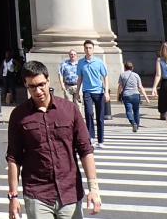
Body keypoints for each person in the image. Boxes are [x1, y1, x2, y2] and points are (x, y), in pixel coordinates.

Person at [7, 60, 101, 219]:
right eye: (32, 86)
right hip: (38, 193)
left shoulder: (69, 109)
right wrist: (13, 197)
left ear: (48, 80)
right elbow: (14, 157)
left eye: (41, 84)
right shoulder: (18, 115)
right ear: (26, 85)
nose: (38, 91)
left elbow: (85, 150)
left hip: (69, 191)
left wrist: (94, 189)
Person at [76, 40, 110, 148]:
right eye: (86, 48)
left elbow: (105, 77)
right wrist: (77, 92)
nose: (88, 50)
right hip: (87, 92)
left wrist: (106, 91)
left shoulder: (99, 62)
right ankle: (91, 138)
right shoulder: (81, 63)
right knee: (89, 113)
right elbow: (80, 78)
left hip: (99, 92)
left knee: (100, 116)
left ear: (93, 49)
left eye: (90, 48)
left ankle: (101, 140)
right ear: (84, 49)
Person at [116, 61, 150, 132]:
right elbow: (140, 87)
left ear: (125, 67)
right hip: (136, 95)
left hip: (127, 95)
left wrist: (118, 96)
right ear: (132, 68)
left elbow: (120, 86)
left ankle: (133, 123)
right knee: (136, 111)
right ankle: (137, 126)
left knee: (128, 111)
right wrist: (146, 98)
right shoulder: (136, 75)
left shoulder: (122, 75)